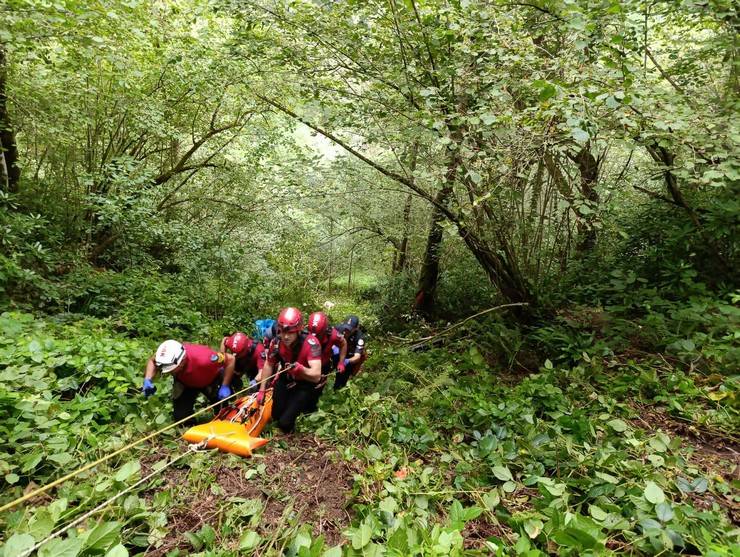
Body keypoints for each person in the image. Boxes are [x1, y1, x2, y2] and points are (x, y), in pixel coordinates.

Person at [255, 307, 322, 433]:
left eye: (290, 333)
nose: (285, 336)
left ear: (298, 331)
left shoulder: (311, 344)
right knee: (275, 415)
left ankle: (297, 414)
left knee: (284, 423)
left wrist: (301, 369)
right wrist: (262, 390)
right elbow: (269, 365)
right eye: (282, 332)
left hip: (304, 383)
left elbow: (316, 375)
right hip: (285, 379)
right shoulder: (276, 343)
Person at [141, 340, 236, 424]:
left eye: (172, 369)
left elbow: (231, 359)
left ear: (182, 360)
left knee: (224, 412)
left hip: (210, 379)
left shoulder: (207, 358)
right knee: (181, 418)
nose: (170, 372)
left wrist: (225, 385)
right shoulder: (167, 355)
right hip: (185, 383)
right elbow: (153, 361)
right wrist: (148, 379)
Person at [306, 311, 347, 410]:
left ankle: (311, 409)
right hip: (308, 363)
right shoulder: (305, 333)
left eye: (318, 335)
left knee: (316, 389)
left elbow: (343, 344)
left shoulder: (333, 335)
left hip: (323, 365)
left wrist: (341, 362)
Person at [334, 315, 367, 390]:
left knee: (342, 378)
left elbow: (357, 357)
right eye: (345, 328)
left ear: (355, 329)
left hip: (350, 356)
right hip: (338, 352)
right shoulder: (337, 328)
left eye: (349, 330)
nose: (346, 331)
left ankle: (338, 389)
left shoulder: (359, 338)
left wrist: (346, 361)